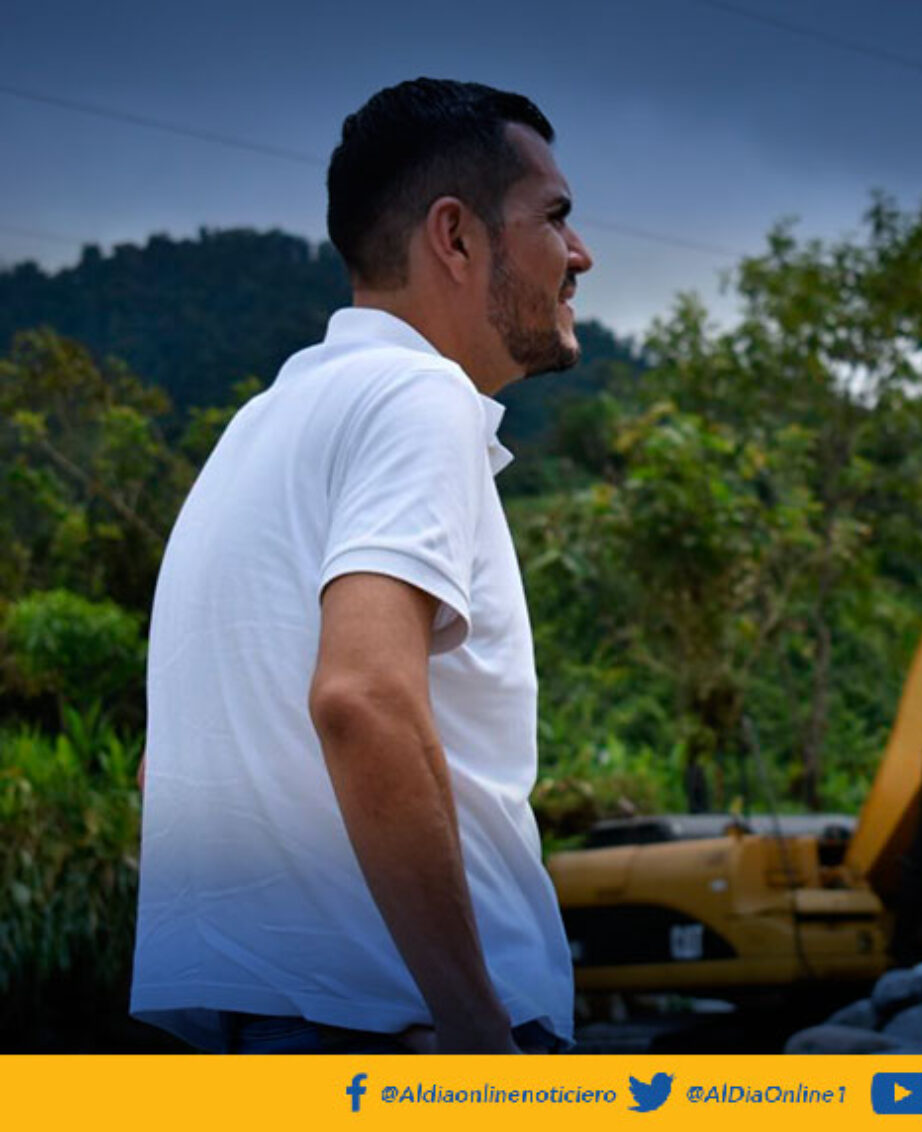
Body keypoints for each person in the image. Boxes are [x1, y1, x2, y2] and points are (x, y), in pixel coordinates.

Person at [130, 78, 593, 1054]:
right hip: (407, 1035)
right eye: (555, 218)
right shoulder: (417, 397)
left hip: (258, 1032)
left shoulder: (253, 436)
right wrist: (480, 1041)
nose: (579, 254)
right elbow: (363, 697)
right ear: (456, 237)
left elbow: (160, 770)